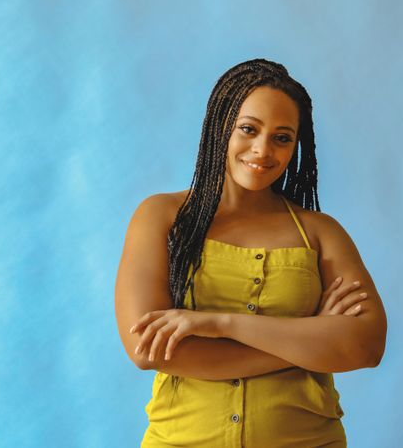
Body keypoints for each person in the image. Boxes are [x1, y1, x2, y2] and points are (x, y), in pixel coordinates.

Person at [115, 58, 388, 447]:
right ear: (220, 126)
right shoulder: (162, 217)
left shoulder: (320, 233)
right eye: (248, 129)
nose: (263, 150)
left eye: (282, 137)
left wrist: (218, 325)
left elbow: (366, 346)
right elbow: (148, 350)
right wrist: (306, 345)